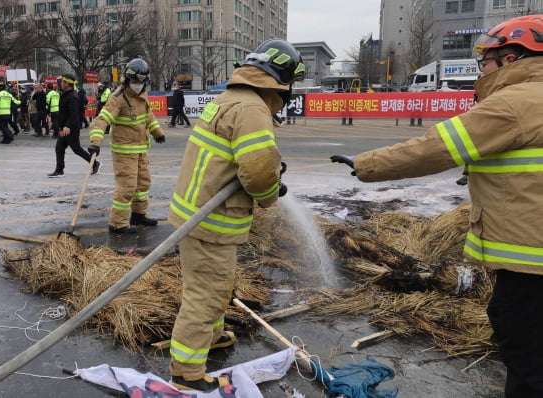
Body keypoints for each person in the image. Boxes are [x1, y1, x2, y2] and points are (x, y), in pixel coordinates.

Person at [330, 15, 543, 398]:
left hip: (533, 259)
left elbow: (437, 147)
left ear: (511, 59)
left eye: (487, 61)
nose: (484, 70)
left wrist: (365, 165)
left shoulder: (517, 101)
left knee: (526, 350)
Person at [167, 38, 302, 392]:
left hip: (197, 213)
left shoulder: (230, 99)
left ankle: (211, 337)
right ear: (282, 78)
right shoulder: (253, 108)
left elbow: (240, 161)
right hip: (212, 221)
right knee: (207, 293)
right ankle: (186, 371)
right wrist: (270, 192)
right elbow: (257, 171)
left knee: (214, 285)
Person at [87, 58, 165, 233]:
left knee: (143, 184)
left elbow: (148, 117)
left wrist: (157, 132)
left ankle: (138, 215)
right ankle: (118, 223)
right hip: (124, 151)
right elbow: (102, 120)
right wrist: (95, 143)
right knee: (127, 187)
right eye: (135, 81)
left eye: (141, 81)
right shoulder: (118, 98)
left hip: (140, 149)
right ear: (128, 79)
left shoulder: (142, 96)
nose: (137, 84)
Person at [47, 74, 99, 178]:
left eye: (62, 82)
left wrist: (67, 126)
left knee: (76, 149)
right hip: (65, 127)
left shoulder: (72, 97)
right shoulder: (66, 94)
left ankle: (95, 163)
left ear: (67, 84)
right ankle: (59, 170)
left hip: (71, 128)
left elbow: (74, 114)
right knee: (59, 148)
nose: (61, 84)